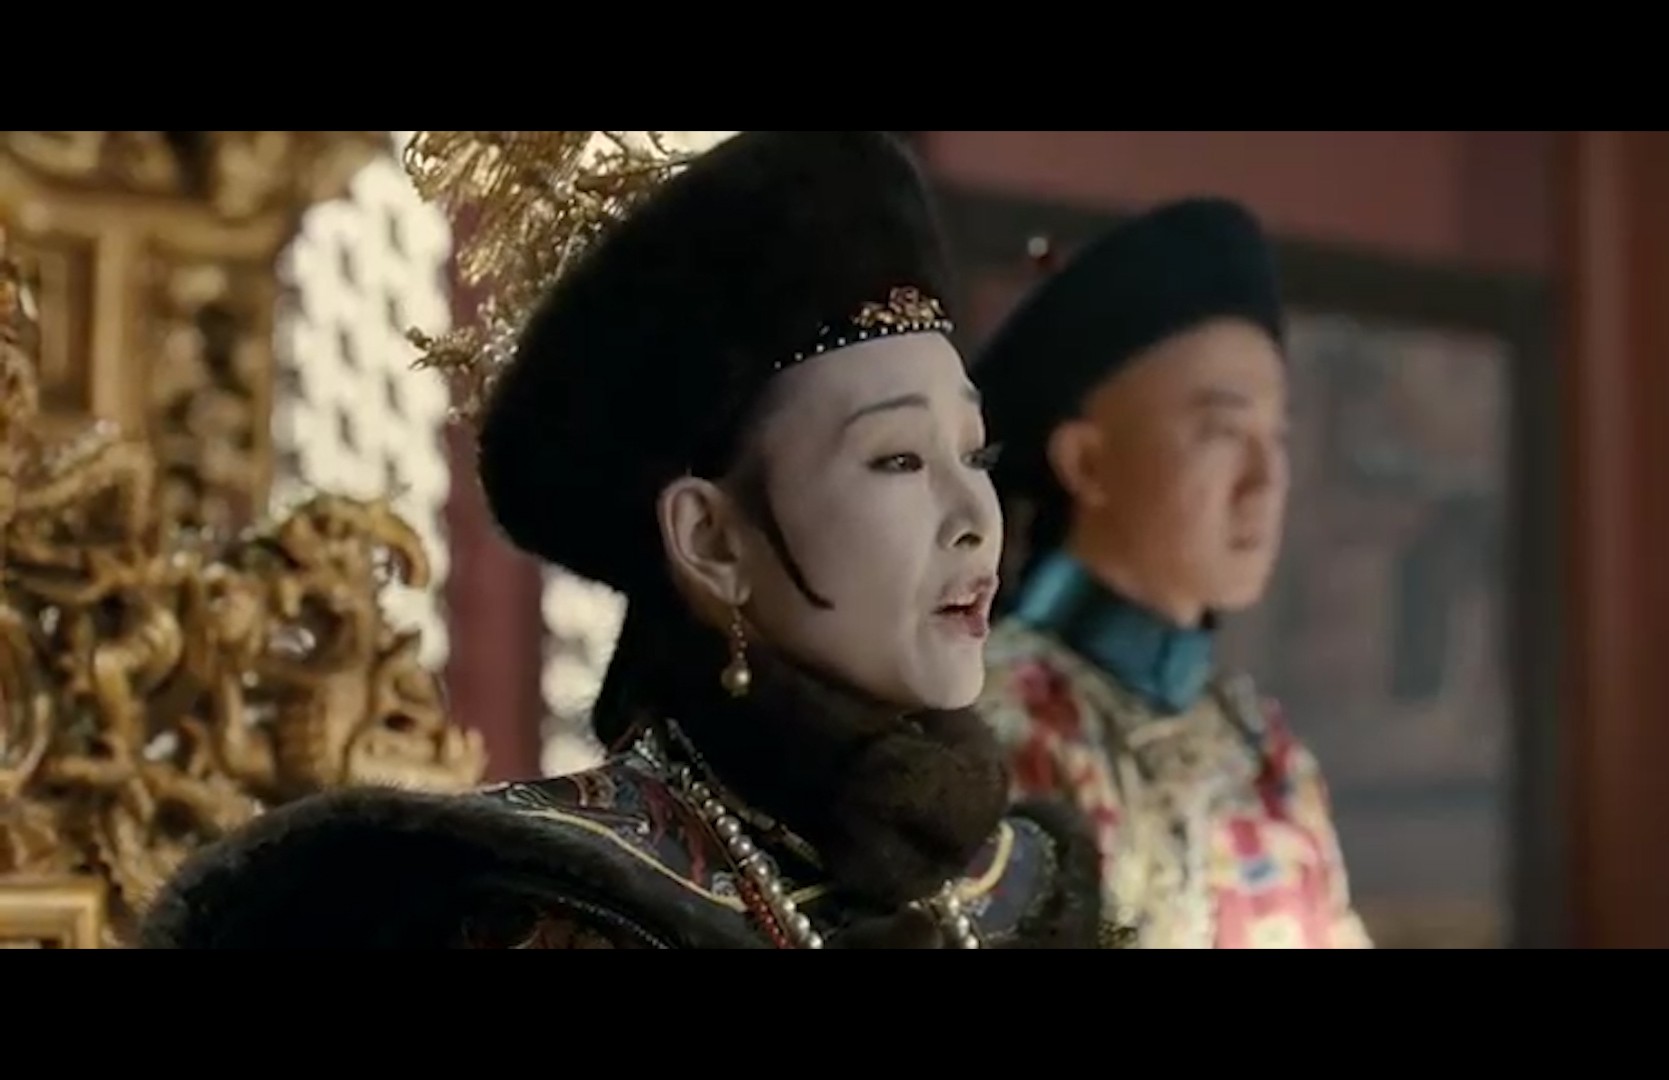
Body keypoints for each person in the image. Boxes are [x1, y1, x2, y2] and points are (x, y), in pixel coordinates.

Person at [138, 130, 1104, 950]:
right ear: (710, 539)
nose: (976, 516)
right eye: (897, 460)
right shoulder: (541, 904)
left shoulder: (1026, 891)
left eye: (975, 453)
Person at [972, 197, 1372, 949]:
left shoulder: (1261, 746)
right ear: (1088, 462)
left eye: (1277, 437)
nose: (1264, 480)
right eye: (1221, 432)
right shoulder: (1001, 726)